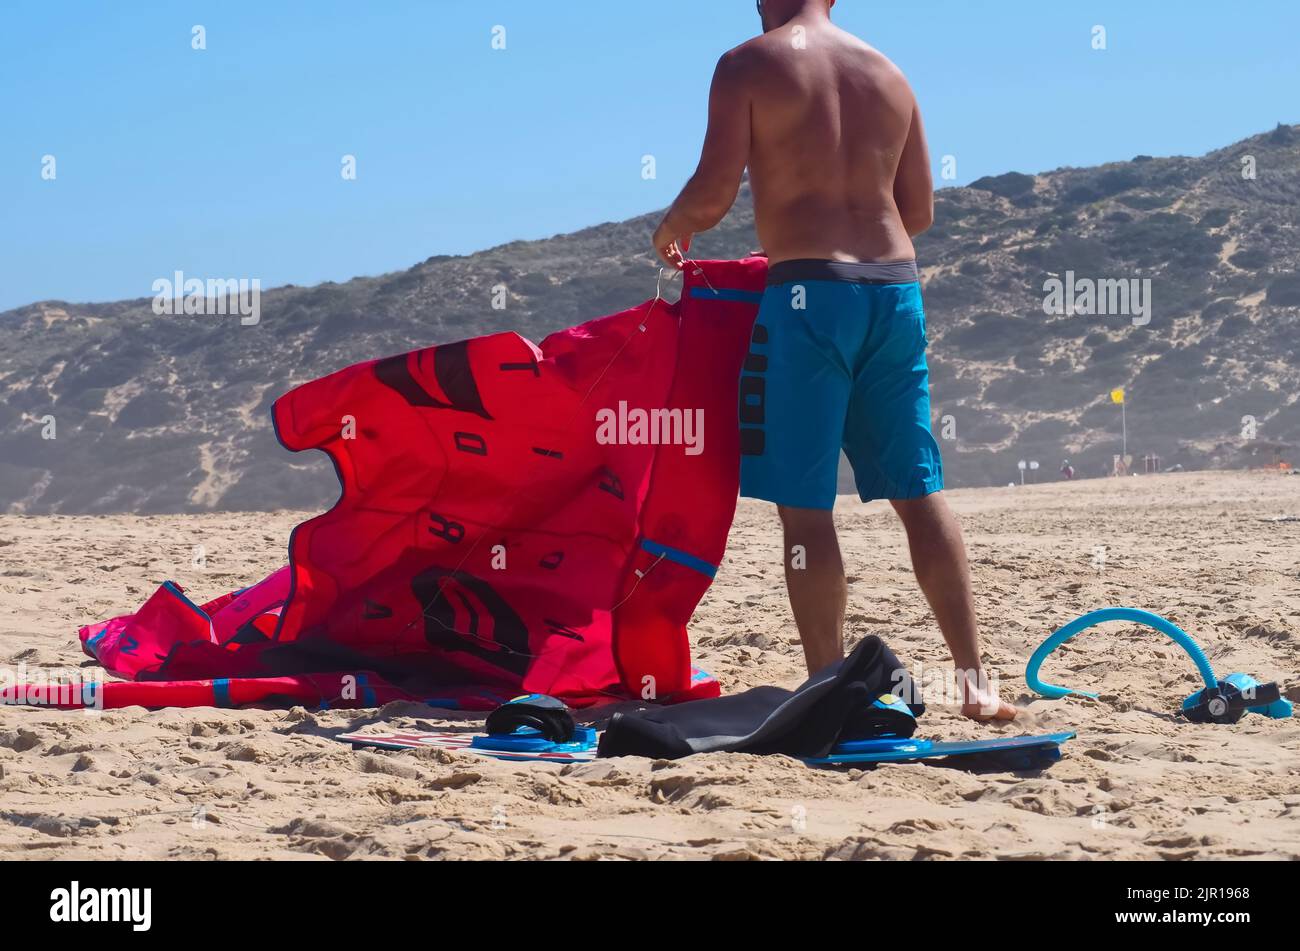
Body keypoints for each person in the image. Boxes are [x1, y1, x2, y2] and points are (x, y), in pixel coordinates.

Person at [651, 0, 1015, 720]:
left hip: (808, 299)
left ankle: (828, 683)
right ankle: (975, 680)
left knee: (806, 511)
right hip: (894, 291)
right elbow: (918, 211)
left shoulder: (747, 64)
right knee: (920, 492)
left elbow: (715, 190)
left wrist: (672, 227)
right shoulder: (889, 73)